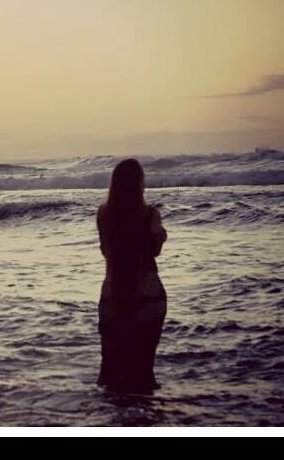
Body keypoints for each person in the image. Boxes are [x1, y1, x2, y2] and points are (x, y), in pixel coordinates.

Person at [96, 158, 167, 393]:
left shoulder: (103, 214)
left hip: (113, 291)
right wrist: (160, 235)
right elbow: (154, 251)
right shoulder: (150, 215)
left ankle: (111, 411)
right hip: (147, 292)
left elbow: (105, 250)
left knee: (110, 369)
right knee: (143, 369)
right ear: (139, 184)